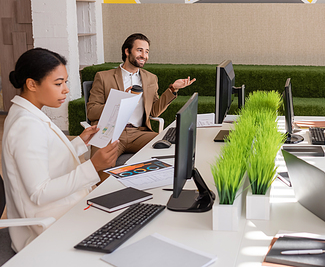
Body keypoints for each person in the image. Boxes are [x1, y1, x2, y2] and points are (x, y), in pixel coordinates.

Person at [2, 48, 119, 252]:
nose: (65, 89)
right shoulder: (26, 125)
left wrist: (81, 142)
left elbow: (44, 158)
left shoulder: (29, 113)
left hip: (63, 211)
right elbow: (40, 192)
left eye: (65, 82)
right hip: (46, 227)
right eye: (58, 83)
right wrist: (93, 167)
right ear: (31, 84)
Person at [86, 33, 195, 163]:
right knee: (102, 163)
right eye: (139, 50)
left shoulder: (150, 78)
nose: (144, 55)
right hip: (111, 132)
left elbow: (154, 111)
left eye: (146, 51)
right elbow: (91, 111)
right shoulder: (104, 77)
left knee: (169, 151)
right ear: (127, 51)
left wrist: (173, 89)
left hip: (139, 134)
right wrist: (121, 101)